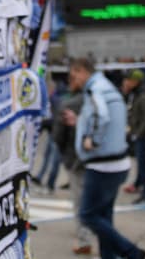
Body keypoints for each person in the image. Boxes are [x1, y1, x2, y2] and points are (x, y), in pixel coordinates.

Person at [66, 57, 145, 259]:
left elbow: (102, 116)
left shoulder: (96, 89)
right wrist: (81, 123)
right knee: (104, 216)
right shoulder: (107, 87)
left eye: (73, 74)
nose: (72, 79)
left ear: (81, 70)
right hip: (116, 163)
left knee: (88, 214)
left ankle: (131, 252)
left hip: (103, 165)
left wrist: (92, 139)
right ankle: (110, 256)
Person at [54, 89, 96, 254]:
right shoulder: (98, 101)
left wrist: (65, 154)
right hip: (96, 160)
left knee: (80, 201)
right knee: (95, 201)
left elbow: (58, 136)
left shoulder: (67, 104)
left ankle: (85, 239)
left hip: (75, 159)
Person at [120, 69, 145, 203]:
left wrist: (138, 134)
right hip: (141, 136)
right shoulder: (136, 95)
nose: (125, 82)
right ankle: (142, 188)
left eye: (128, 79)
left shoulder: (144, 96)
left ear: (136, 81)